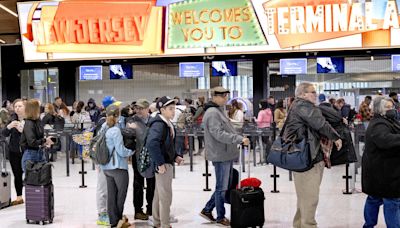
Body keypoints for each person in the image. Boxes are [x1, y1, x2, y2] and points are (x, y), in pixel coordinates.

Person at [283, 82, 342, 228]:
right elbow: (320, 123)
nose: (315, 95)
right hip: (308, 158)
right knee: (310, 198)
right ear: (302, 94)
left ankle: (299, 225)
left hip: (304, 157)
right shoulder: (304, 106)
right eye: (312, 92)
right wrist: (336, 137)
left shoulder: (298, 106)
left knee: (304, 198)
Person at [200, 87, 250, 226]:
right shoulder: (212, 113)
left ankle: (207, 209)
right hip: (220, 154)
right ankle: (220, 217)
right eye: (222, 96)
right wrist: (238, 139)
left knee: (224, 186)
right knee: (221, 187)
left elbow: (226, 129)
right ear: (214, 97)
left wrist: (238, 136)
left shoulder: (219, 110)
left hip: (225, 153)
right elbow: (218, 134)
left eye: (226, 95)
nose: (225, 98)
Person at [361, 97, 400, 228]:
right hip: (384, 173)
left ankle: (369, 224)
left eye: (392, 107)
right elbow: (386, 140)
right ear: (380, 110)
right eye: (388, 107)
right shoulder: (378, 124)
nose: (392, 110)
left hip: (379, 172)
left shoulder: (388, 121)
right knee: (392, 201)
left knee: (374, 199)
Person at [146, 96, 184, 228]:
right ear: (162, 109)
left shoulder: (167, 123)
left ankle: (157, 222)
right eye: (170, 109)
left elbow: (167, 145)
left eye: (174, 108)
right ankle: (165, 224)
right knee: (166, 195)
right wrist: (160, 163)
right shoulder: (159, 124)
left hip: (166, 162)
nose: (173, 111)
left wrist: (175, 157)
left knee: (159, 194)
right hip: (163, 165)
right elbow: (152, 144)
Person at [99, 104, 134, 228]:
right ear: (118, 115)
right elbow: (121, 151)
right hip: (118, 167)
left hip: (106, 167)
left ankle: (113, 221)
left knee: (111, 195)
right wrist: (132, 151)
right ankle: (119, 220)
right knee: (121, 194)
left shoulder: (103, 127)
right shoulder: (115, 130)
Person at [127, 99, 155, 221]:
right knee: (138, 183)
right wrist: (128, 131)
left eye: (140, 108)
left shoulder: (153, 120)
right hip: (138, 156)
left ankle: (151, 208)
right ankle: (138, 210)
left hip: (152, 156)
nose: (137, 110)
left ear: (147, 108)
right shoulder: (132, 120)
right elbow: (127, 138)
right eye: (136, 108)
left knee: (152, 183)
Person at [2, 99, 26, 205]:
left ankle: (32, 193)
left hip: (27, 151)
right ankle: (19, 197)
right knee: (17, 174)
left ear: (25, 107)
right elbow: (4, 133)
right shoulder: (12, 119)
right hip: (14, 151)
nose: (17, 108)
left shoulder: (30, 119)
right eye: (15, 106)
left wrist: (23, 130)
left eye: (20, 106)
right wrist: (9, 126)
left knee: (29, 174)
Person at [20, 99, 54, 172]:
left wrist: (45, 142)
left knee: (43, 178)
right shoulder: (29, 123)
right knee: (31, 180)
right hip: (31, 155)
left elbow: (38, 137)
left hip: (40, 152)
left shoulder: (37, 121)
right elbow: (31, 142)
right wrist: (44, 140)